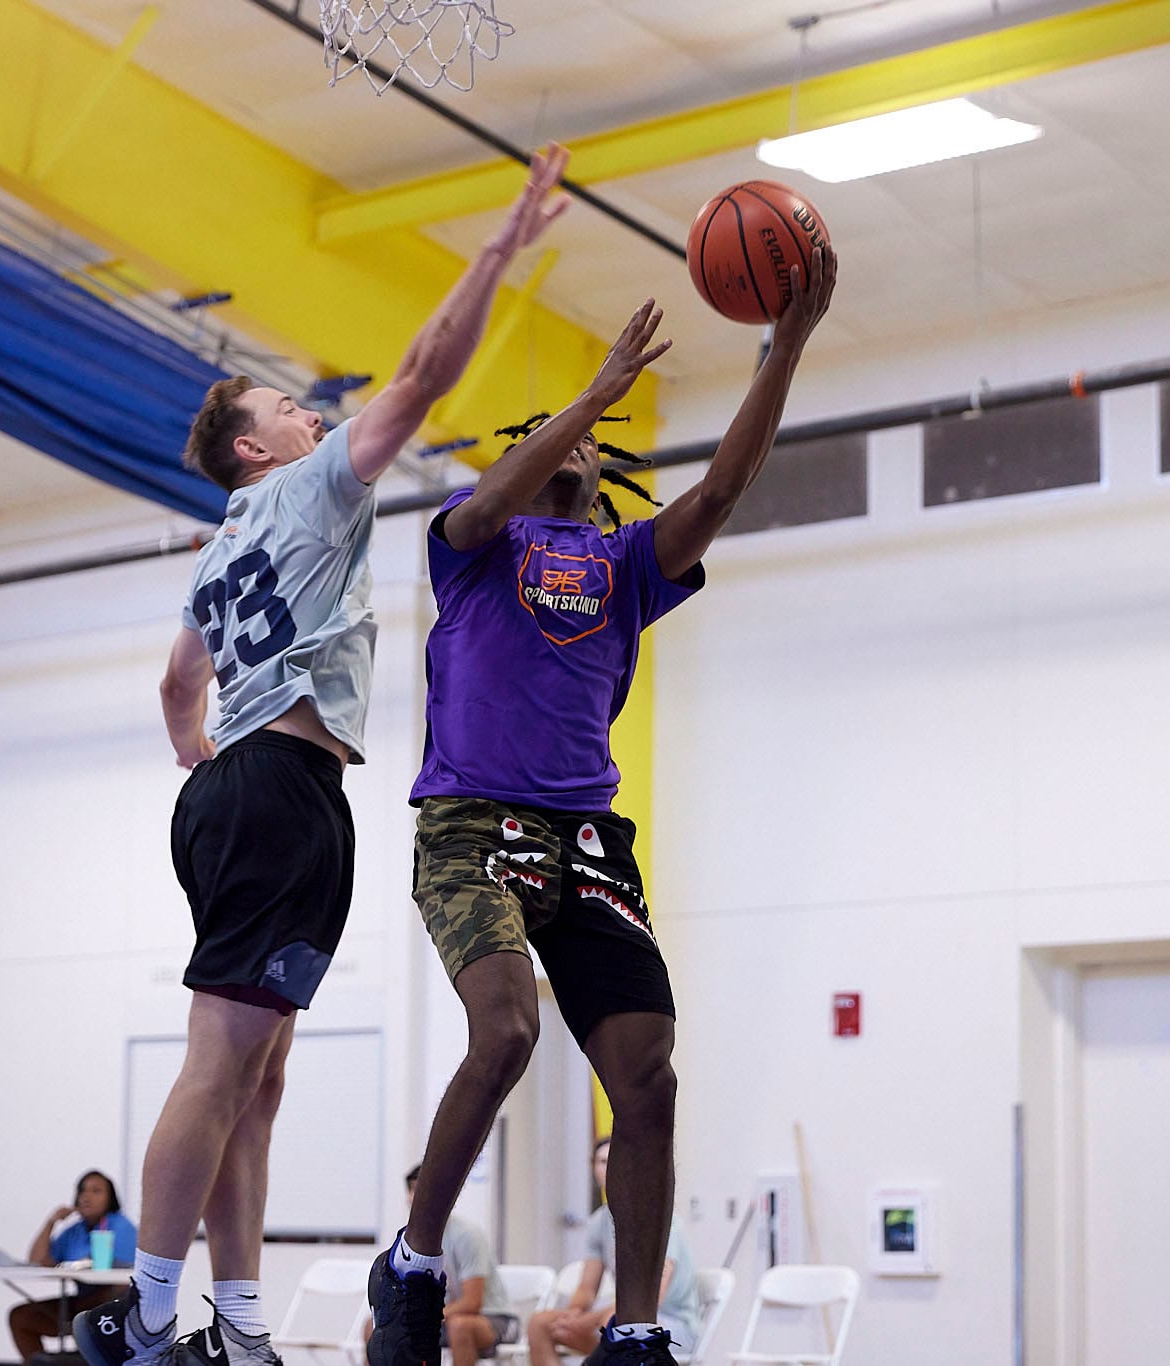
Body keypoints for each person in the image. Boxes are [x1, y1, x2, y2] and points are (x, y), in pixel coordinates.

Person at [74, 145, 575, 1366]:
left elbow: (176, 685)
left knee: (261, 1071)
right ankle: (147, 1313)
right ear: (255, 450)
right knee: (220, 1063)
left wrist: (205, 762)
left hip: (259, 787)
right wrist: (498, 250)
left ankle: (239, 1321)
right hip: (276, 790)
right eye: (286, 410)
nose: (310, 414)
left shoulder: (219, 545)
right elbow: (422, 374)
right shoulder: (306, 492)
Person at [369, 247, 837, 1366]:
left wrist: (784, 348)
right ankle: (415, 1262)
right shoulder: (473, 545)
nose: (571, 444)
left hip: (586, 842)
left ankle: (633, 1331)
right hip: (472, 825)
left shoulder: (626, 564)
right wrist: (593, 392)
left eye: (585, 438)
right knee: (506, 1032)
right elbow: (493, 494)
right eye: (550, 436)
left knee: (648, 1076)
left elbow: (719, 491)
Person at [524, 1140, 697, 1366]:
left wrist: (588, 1321)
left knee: (615, 1324)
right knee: (540, 1324)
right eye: (603, 1162)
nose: (609, 1169)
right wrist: (574, 1313)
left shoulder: (658, 1218)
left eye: (615, 1162)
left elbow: (653, 1297)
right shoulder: (599, 1221)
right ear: (593, 1168)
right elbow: (587, 1288)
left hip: (667, 1325)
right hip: (621, 1318)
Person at [366, 1167, 517, 1366]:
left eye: (424, 1191)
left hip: (492, 1318)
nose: (419, 1197)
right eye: (413, 1190)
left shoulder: (466, 1235)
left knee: (459, 1326)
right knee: (376, 1326)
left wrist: (424, 1315)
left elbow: (472, 1302)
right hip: (443, 1318)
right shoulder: (408, 1239)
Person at [10, 1172, 136, 1360]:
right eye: (82, 1191)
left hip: (112, 1307)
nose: (86, 1196)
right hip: (79, 1306)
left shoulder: (121, 1226)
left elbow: (124, 1280)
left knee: (90, 1321)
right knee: (21, 1317)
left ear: (110, 1198)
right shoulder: (75, 1230)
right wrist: (51, 1222)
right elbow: (38, 1261)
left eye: (96, 1191)